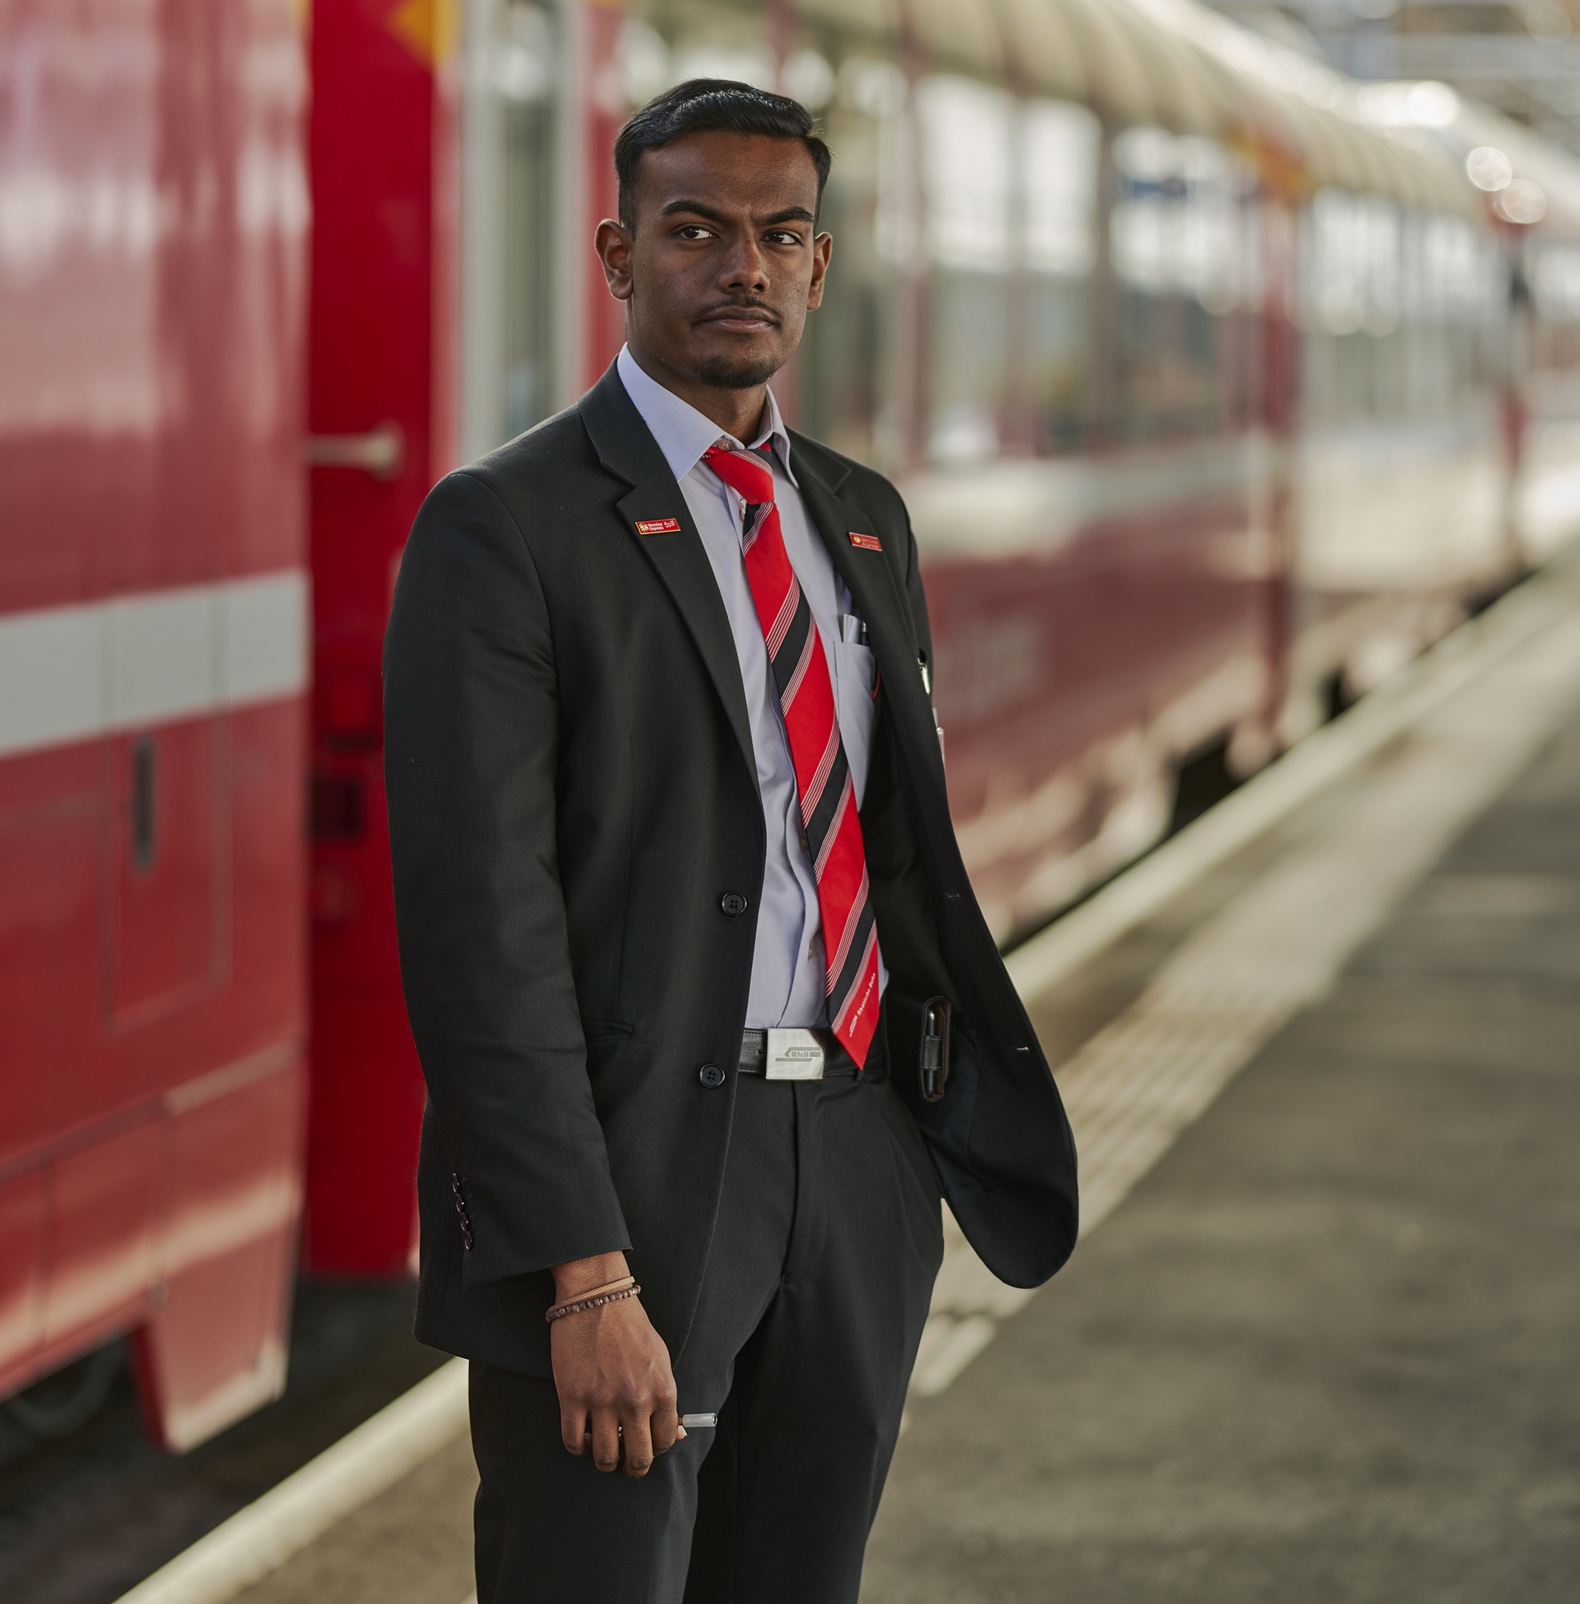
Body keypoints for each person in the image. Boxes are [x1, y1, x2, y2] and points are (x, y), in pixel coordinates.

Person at [383, 78, 1078, 1604]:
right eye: (695, 230)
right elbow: (481, 933)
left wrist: (902, 1165)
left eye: (780, 234)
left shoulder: (864, 520)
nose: (742, 266)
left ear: (820, 265)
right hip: (641, 1185)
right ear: (619, 255)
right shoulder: (505, 527)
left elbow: (893, 855)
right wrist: (580, 1267)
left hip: (854, 1160)